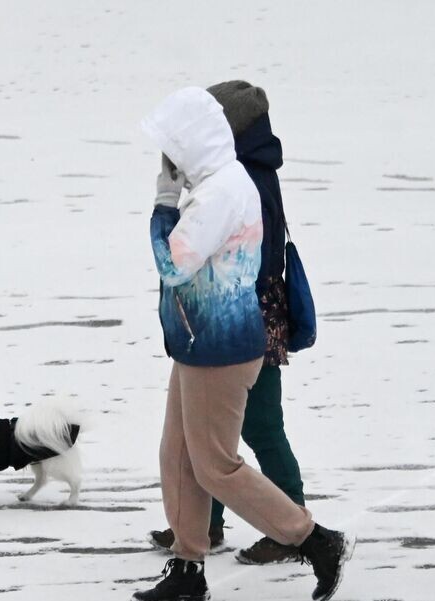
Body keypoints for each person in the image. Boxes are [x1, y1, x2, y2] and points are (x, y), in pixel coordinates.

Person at [134, 86, 353, 601]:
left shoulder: (222, 193)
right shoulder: (219, 183)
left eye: (171, 150)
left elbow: (174, 264)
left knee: (215, 465)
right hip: (196, 340)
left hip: (222, 348)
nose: (167, 162)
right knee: (179, 454)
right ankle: (188, 567)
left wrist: (163, 206)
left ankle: (314, 540)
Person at [149, 80, 306, 565]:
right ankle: (206, 526)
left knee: (258, 427)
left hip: (245, 321)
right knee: (214, 434)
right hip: (243, 318)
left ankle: (296, 524)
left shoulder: (244, 179)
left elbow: (208, 260)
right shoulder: (242, 172)